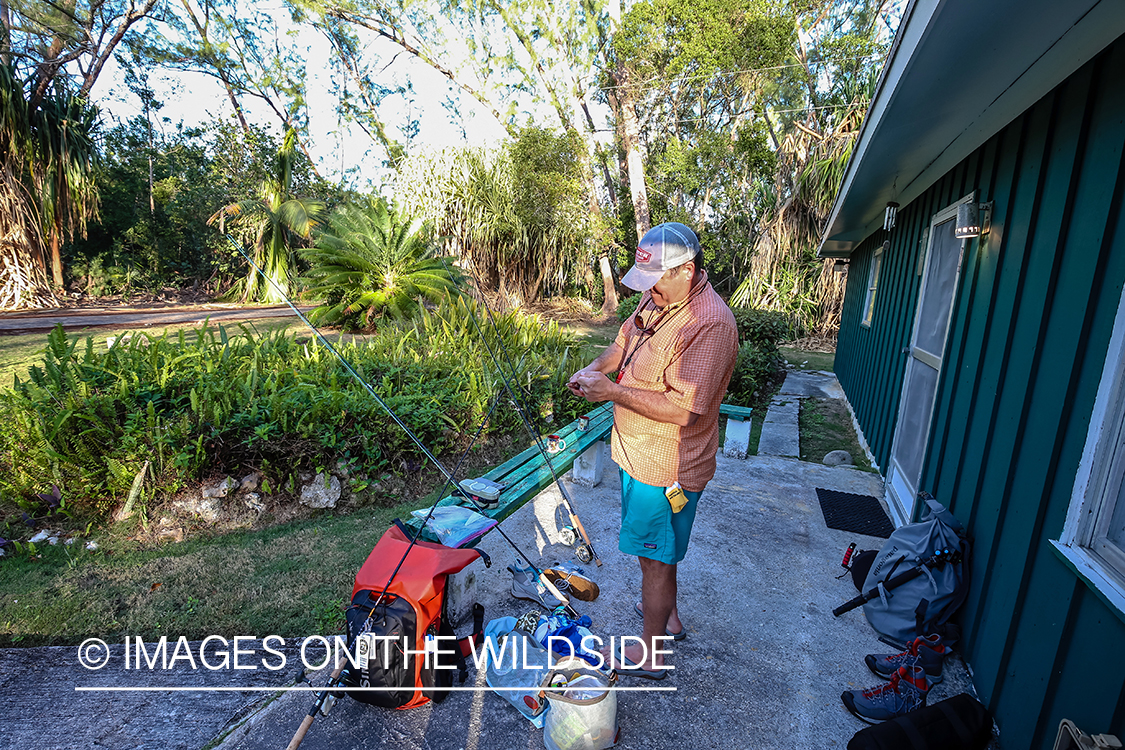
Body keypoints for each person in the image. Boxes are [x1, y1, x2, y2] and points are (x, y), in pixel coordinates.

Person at [567, 222, 738, 679]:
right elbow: (623, 344)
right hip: (636, 453)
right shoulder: (658, 296)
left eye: (656, 280)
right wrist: (593, 371)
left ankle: (652, 654)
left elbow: (684, 411)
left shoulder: (711, 323)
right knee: (659, 552)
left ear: (686, 270)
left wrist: (612, 393)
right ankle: (671, 620)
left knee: (654, 558)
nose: (649, 291)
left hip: (666, 467)